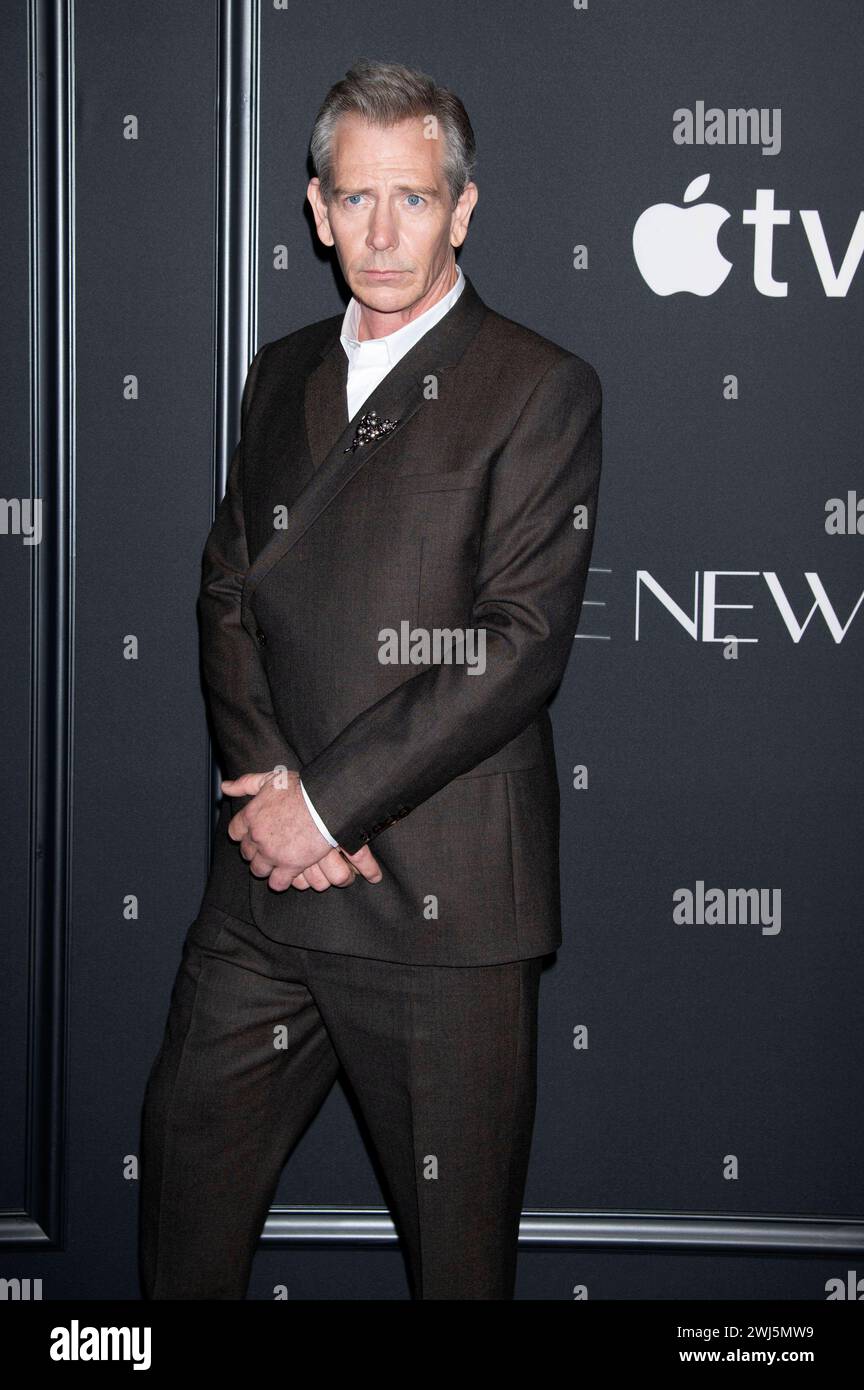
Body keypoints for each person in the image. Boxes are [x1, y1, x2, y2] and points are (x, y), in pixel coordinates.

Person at [140, 57, 602, 1300]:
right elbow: (226, 588)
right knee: (181, 1214)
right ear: (313, 208)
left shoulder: (538, 387)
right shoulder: (280, 369)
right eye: (355, 200)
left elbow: (514, 646)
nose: (381, 231)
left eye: (412, 199)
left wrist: (327, 804)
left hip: (441, 910)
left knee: (457, 1274)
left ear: (462, 208)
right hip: (264, 897)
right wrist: (272, 791)